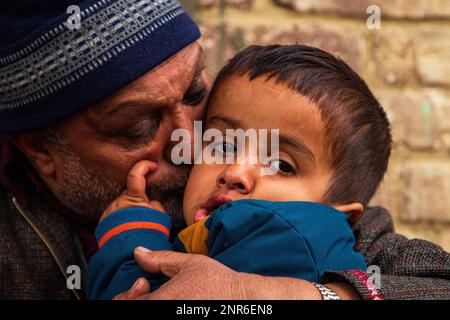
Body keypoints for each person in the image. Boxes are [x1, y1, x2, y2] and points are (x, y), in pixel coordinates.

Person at [1, 0, 449, 300]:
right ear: (41, 149)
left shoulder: (305, 217)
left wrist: (278, 296)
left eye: (196, 92)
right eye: (137, 125)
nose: (191, 142)